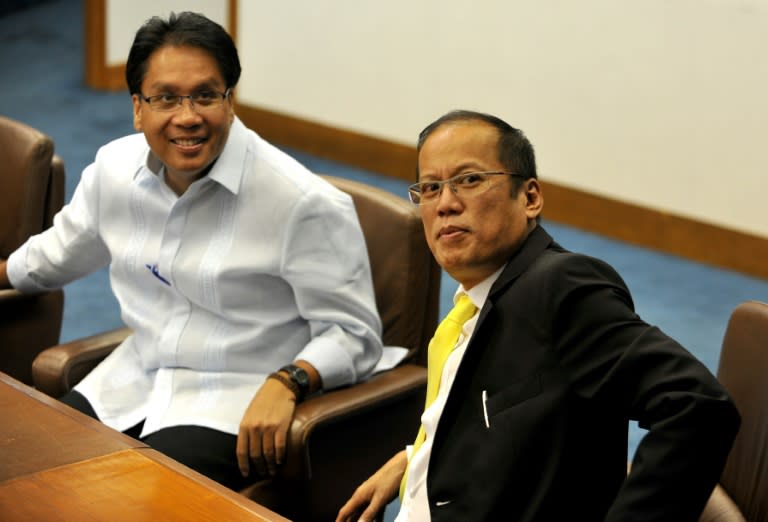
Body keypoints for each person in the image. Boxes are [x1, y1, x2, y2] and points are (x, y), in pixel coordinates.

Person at [0, 12, 382, 490]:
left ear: (230, 101)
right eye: (165, 98)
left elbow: (356, 334)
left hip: (236, 400)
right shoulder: (114, 169)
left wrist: (290, 381)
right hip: (135, 378)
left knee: (136, 495)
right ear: (137, 108)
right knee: (30, 468)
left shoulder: (301, 203)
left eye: (206, 95)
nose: (188, 116)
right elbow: (59, 251)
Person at [336, 110, 740, 521]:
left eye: (469, 180)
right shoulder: (472, 302)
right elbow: (510, 417)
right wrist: (417, 454)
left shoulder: (563, 287)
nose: (445, 204)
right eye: (430, 187)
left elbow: (698, 407)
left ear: (530, 198)